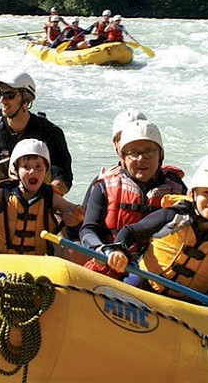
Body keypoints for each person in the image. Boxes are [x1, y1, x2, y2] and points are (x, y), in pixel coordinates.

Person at [104, 157, 208, 354]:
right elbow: (130, 231)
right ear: (193, 194)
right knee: (121, 295)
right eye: (206, 193)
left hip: (191, 300)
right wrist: (117, 249)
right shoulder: (171, 216)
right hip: (146, 283)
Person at [79, 119, 186, 281]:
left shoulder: (176, 188)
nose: (141, 159)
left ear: (160, 154)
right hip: (111, 262)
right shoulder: (104, 186)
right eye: (133, 153)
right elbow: (87, 229)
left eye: (149, 151)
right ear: (123, 157)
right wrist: (103, 249)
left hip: (158, 271)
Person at [0, 140, 83, 255]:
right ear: (16, 170)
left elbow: (80, 213)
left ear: (46, 170)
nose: (32, 171)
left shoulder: (51, 196)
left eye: (38, 166)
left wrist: (76, 214)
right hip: (3, 261)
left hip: (39, 263)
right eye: (26, 167)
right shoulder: (3, 193)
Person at [0, 71, 74, 197]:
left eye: (9, 95)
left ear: (26, 97)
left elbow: (63, 178)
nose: (2, 100)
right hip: (0, 203)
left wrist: (39, 202)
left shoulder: (52, 133)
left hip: (45, 201)